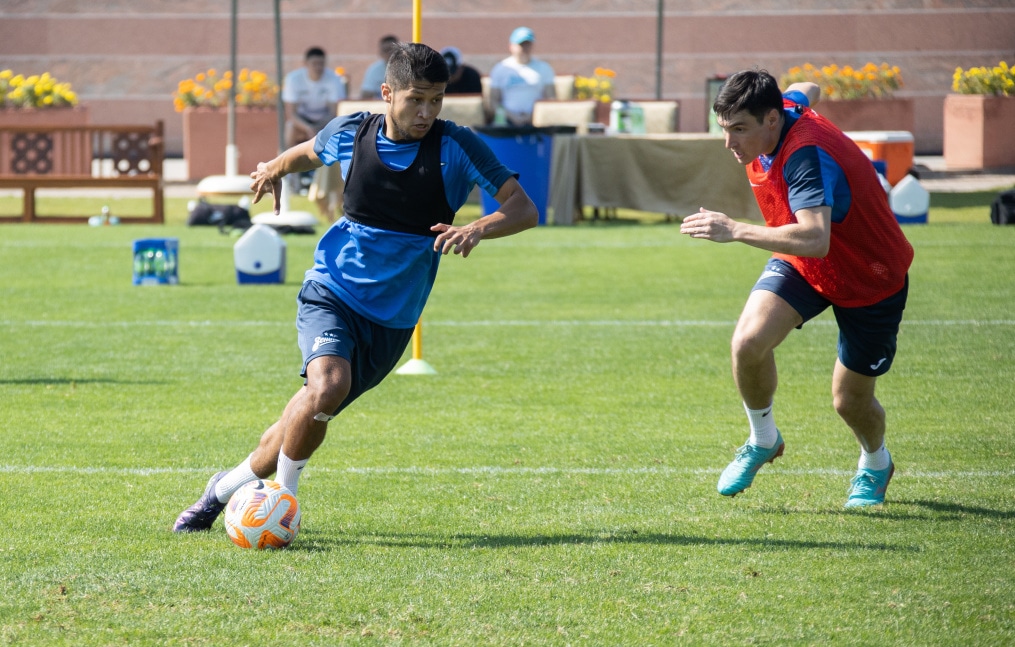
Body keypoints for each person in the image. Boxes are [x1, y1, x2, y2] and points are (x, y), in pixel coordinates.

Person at [174, 42, 539, 533]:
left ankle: (221, 490)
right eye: (415, 100)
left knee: (303, 416)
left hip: (391, 319)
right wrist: (271, 168)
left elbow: (523, 208)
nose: (427, 112)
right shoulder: (352, 131)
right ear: (387, 93)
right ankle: (283, 503)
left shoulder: (458, 146)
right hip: (332, 289)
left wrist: (478, 226)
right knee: (328, 385)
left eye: (436, 100)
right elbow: (308, 153)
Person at [679, 69, 913, 508]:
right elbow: (808, 87)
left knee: (849, 403)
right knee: (748, 343)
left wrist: (734, 229)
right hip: (805, 264)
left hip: (869, 274)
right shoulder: (784, 108)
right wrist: (797, 96)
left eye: (739, 130)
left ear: (771, 120)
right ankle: (763, 439)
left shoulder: (805, 155)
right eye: (724, 129)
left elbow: (814, 237)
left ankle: (876, 462)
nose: (730, 143)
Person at [488, 26, 556, 126]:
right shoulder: (500, 68)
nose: (524, 48)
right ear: (511, 46)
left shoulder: (544, 68)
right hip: (507, 122)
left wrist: (533, 116)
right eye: (521, 44)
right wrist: (512, 116)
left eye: (527, 44)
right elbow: (493, 101)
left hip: (537, 122)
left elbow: (550, 98)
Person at [282, 46, 347, 150]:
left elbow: (334, 112)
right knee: (290, 127)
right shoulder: (293, 79)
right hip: (301, 122)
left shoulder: (334, 79)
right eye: (314, 64)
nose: (318, 67)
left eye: (321, 64)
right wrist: (308, 128)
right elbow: (291, 114)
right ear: (305, 63)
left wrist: (318, 128)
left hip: (325, 122)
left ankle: (329, 165)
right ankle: (288, 163)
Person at [359, 34, 399, 99]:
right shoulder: (374, 70)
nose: (389, 53)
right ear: (380, 52)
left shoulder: (408, 68)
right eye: (386, 50)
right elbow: (366, 94)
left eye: (392, 50)